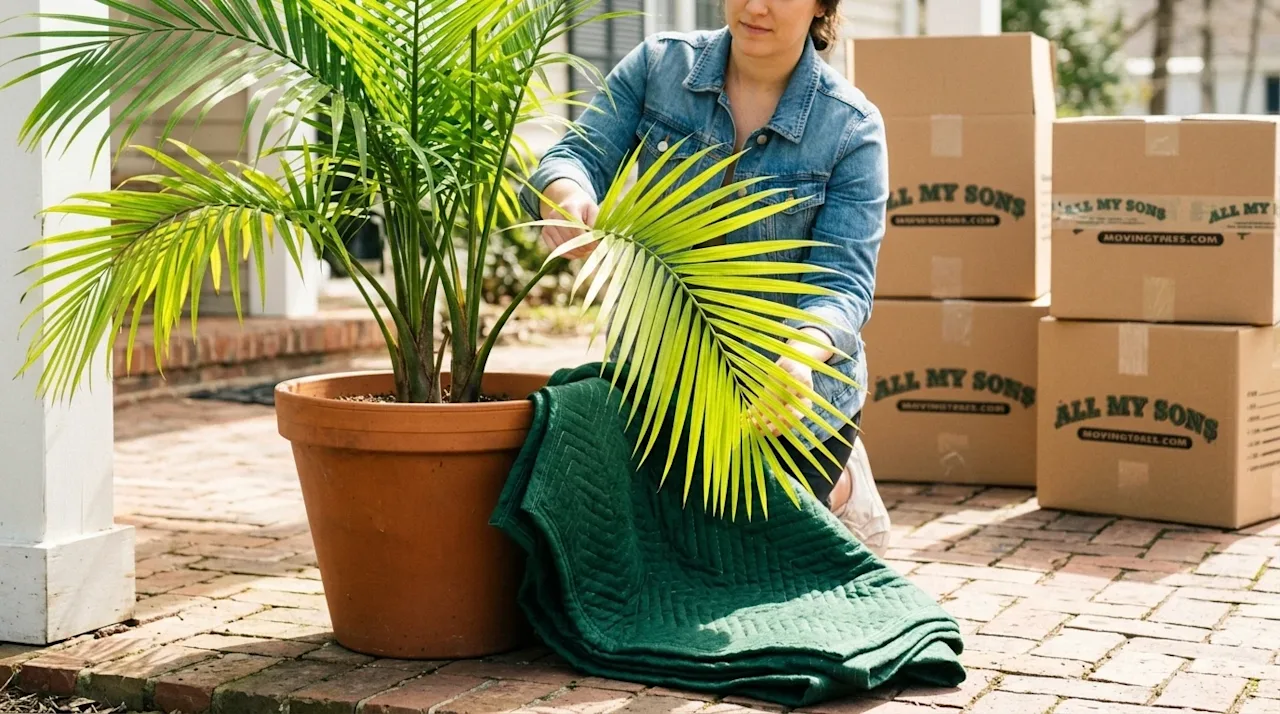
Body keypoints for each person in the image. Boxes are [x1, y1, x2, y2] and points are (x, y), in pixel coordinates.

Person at [519, 0, 887, 513]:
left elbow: (845, 283)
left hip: (785, 402)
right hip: (663, 380)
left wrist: (801, 357)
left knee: (745, 560)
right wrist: (564, 194)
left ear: (822, 5)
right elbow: (575, 155)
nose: (755, 6)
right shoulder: (658, 67)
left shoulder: (851, 128)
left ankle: (844, 488)